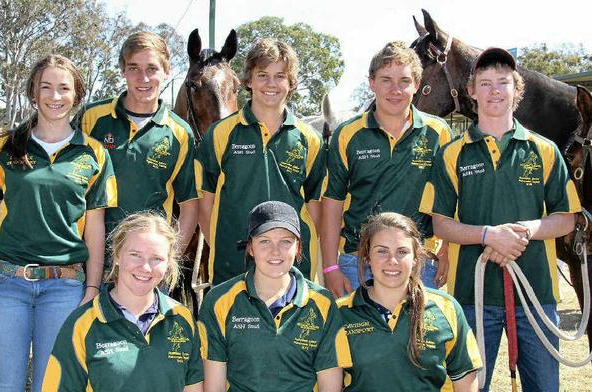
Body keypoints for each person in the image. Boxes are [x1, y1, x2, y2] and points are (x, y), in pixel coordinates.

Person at [419, 47, 581, 392]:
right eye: (485, 83)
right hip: (471, 296)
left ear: (515, 90)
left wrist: (523, 232)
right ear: (471, 91)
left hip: (537, 295)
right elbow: (440, 225)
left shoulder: (544, 150)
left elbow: (566, 218)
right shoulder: (452, 154)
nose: (494, 90)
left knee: (545, 387)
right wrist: (489, 235)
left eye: (503, 83)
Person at [0, 54, 117, 392]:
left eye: (64, 88)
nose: (55, 96)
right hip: (8, 285)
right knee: (4, 385)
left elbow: (96, 229)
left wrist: (92, 288)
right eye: (45, 88)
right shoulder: (4, 148)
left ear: (76, 95)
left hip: (64, 287)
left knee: (51, 386)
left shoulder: (94, 154)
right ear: (33, 93)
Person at [322, 41, 453, 298]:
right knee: (357, 339)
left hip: (420, 263)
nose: (396, 90)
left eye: (404, 80)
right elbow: (332, 204)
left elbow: (450, 200)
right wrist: (330, 266)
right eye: (386, 80)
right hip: (357, 263)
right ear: (371, 83)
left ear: (416, 84)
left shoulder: (439, 133)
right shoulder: (347, 134)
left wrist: (446, 251)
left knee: (418, 339)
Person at [196, 38, 325, 285]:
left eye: (280, 76)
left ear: (291, 82)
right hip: (232, 269)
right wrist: (228, 246)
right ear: (248, 80)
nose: (271, 84)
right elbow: (205, 202)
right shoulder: (221, 133)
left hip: (292, 270)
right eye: (262, 75)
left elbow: (315, 209)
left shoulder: (310, 140)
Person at [197, 201, 352, 391]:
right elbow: (215, 386)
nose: (275, 251)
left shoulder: (322, 302)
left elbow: (330, 384)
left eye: (285, 241)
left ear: (298, 248)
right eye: (264, 241)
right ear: (250, 248)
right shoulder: (219, 301)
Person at [42, 212, 203, 391]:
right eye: (135, 255)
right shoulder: (83, 324)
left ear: (168, 264)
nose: (145, 267)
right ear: (117, 255)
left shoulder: (182, 319)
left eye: (156, 258)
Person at [75, 31, 198, 259]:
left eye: (152, 69)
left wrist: (168, 261)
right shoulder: (91, 118)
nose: (143, 78)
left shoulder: (180, 132)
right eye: (134, 68)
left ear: (167, 71)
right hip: (88, 259)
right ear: (123, 71)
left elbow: (189, 206)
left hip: (147, 264)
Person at [338, 212, 481, 391]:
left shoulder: (446, 309)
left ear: (416, 258)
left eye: (402, 252)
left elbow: (465, 379)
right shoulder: (340, 313)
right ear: (367, 256)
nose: (392, 261)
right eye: (382, 251)